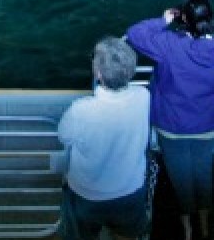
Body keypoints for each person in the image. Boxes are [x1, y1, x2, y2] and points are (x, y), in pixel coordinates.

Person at [126, 0, 214, 240]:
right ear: (210, 19)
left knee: (180, 178)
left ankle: (187, 231)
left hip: (172, 126)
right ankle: (204, 227)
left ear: (183, 17)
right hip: (207, 124)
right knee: (203, 174)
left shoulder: (169, 44)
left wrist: (163, 21)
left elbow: (134, 34)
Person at [57, 36, 152, 240]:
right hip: (129, 191)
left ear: (98, 73)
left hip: (87, 195)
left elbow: (64, 136)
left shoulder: (81, 110)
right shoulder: (143, 97)